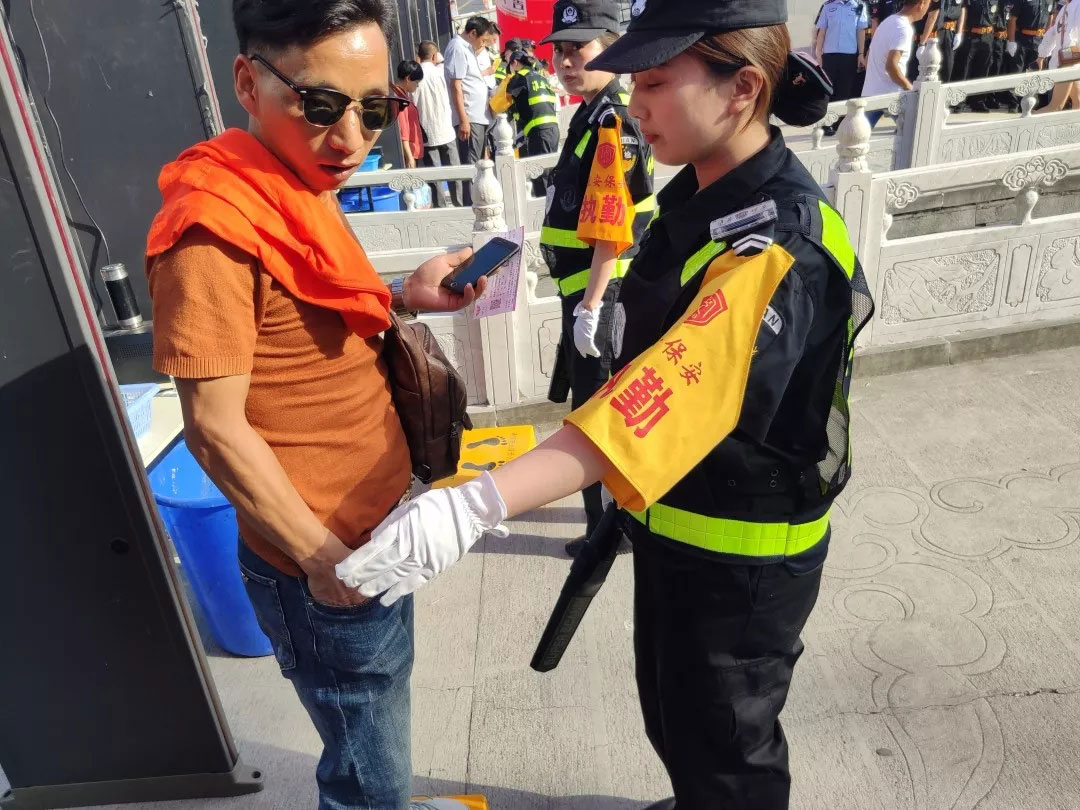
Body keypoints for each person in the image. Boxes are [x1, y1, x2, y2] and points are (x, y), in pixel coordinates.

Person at [337, 2, 875, 808]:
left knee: (730, 749)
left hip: (743, 556)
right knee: (677, 721)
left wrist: (475, 505)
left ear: (742, 89)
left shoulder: (779, 241)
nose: (637, 102)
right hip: (673, 525)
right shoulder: (702, 194)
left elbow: (664, 399)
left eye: (656, 82)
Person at [145, 2, 490, 808]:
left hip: (375, 532)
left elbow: (302, 322)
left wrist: (404, 294)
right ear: (247, 83)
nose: (352, 138)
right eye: (323, 104)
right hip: (325, 562)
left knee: (380, 718)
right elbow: (213, 430)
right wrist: (324, 562)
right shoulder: (213, 231)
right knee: (367, 768)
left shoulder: (292, 184)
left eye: (376, 109)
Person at [538, 0, 655, 553]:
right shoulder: (592, 113)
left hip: (601, 294)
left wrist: (591, 307)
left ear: (612, 47)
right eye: (559, 50)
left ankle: (608, 534)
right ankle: (610, 524)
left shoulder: (611, 120)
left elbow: (612, 227)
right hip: (589, 292)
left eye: (578, 49)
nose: (565, 61)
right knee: (595, 410)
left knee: (595, 418)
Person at [444, 16, 496, 203]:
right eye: (482, 40)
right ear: (473, 33)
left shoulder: (466, 48)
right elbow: (456, 86)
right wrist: (464, 119)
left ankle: (478, 202)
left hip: (478, 116)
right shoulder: (458, 48)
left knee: (479, 164)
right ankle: (471, 204)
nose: (483, 44)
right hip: (470, 117)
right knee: (472, 165)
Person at [865, 0, 933, 127]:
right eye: (928, 5)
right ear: (921, 4)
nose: (927, 10)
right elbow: (891, 66)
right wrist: (910, 88)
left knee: (859, 134)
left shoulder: (887, 22)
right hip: (892, 96)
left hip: (872, 91)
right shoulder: (903, 28)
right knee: (915, 130)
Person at [415, 40, 462, 207]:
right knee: (454, 172)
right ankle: (459, 204)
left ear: (418, 57)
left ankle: (440, 208)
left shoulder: (415, 76)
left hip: (426, 131)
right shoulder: (442, 73)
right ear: (435, 56)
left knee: (434, 176)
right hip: (446, 129)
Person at [814, 0, 870, 134]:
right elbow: (822, 32)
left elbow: (861, 31)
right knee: (828, 89)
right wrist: (818, 53)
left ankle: (839, 122)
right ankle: (826, 122)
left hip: (849, 55)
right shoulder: (828, 6)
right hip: (829, 55)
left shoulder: (859, 6)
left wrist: (861, 54)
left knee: (844, 90)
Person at [504, 51, 561, 156]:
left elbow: (504, 98)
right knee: (551, 164)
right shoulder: (541, 77)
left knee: (539, 165)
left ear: (515, 63)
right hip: (553, 128)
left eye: (510, 66)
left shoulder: (519, 77)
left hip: (539, 132)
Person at [393, 60, 425, 169]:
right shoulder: (400, 100)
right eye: (416, 82)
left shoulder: (401, 95)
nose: (417, 85)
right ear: (408, 79)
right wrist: (409, 157)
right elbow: (403, 131)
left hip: (411, 150)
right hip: (410, 153)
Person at [1008, 0, 1055, 71]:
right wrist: (1011, 41)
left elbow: (1050, 17)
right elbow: (1012, 19)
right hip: (1022, 41)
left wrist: (1047, 40)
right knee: (1017, 71)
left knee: (1035, 72)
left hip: (1039, 42)